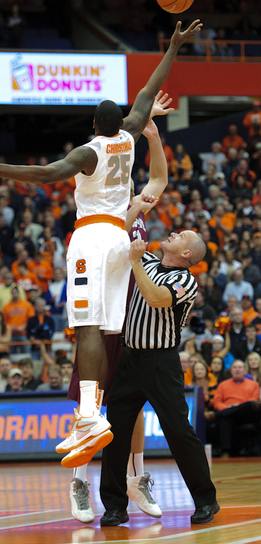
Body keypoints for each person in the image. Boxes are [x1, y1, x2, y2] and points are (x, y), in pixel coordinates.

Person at [0, 18, 203, 461]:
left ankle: (90, 417)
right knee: (107, 327)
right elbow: (147, 93)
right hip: (120, 238)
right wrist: (173, 45)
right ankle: (94, 416)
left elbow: (46, 174)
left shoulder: (87, 152)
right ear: (122, 122)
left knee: (87, 328)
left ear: (94, 124)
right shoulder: (129, 137)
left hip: (92, 237)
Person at [66, 98, 172, 523]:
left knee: (135, 403)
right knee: (91, 400)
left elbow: (160, 179)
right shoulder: (114, 217)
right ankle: (78, 481)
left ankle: (138, 477)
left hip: (130, 322)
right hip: (102, 312)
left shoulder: (138, 209)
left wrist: (153, 135)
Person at [99, 231, 218, 526]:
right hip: (129, 360)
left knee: (178, 432)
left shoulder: (186, 281)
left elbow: (155, 299)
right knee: (114, 434)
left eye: (182, 235)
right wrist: (136, 205)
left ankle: (206, 500)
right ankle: (114, 506)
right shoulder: (148, 260)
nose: (174, 232)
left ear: (187, 253)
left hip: (160, 363)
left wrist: (136, 262)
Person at [213, 359, 261, 458]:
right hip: (229, 414)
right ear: (231, 371)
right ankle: (225, 451)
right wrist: (227, 407)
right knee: (226, 417)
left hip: (246, 415)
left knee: (249, 404)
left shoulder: (254, 384)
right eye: (235, 367)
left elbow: (254, 401)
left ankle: (218, 415)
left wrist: (238, 406)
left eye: (240, 367)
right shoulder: (223, 385)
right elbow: (217, 402)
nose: (237, 369)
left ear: (244, 370)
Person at [2, 286, 35, 356]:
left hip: (23, 333)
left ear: (18, 293)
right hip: (11, 334)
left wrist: (24, 326)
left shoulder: (26, 304)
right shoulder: (6, 306)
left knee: (26, 353)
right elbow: (4, 321)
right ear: (11, 294)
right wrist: (10, 327)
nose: (14, 294)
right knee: (11, 354)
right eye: (13, 293)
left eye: (16, 292)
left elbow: (31, 319)